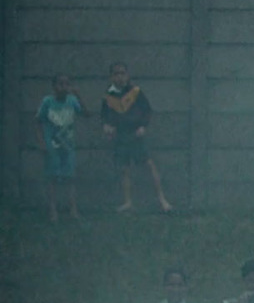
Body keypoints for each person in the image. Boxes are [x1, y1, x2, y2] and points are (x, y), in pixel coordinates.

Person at [100, 62, 173, 213]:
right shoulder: (108, 96)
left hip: (135, 134)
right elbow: (105, 116)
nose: (119, 77)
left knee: (149, 165)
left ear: (127, 75)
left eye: (122, 73)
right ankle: (128, 202)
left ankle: (162, 199)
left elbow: (147, 111)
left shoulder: (135, 92)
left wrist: (143, 126)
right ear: (111, 77)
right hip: (120, 136)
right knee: (124, 169)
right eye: (116, 74)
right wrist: (107, 126)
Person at [35, 73, 88, 222]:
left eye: (67, 84)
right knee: (52, 178)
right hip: (52, 147)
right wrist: (41, 142)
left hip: (68, 147)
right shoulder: (47, 102)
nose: (64, 87)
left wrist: (79, 96)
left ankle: (73, 209)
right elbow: (38, 122)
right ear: (54, 87)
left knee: (70, 178)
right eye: (60, 84)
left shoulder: (72, 101)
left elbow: (85, 113)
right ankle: (53, 210)